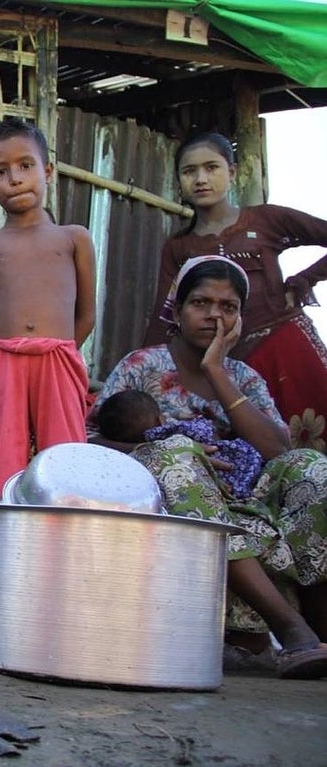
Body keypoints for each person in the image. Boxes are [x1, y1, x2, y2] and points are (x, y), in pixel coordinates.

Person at [91, 255, 327, 679]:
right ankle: (290, 629)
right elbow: (90, 442)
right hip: (170, 504)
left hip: (246, 497)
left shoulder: (243, 376)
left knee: (312, 467)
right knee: (176, 453)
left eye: (228, 307)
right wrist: (178, 450)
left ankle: (319, 633)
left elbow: (279, 450)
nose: (214, 315)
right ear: (178, 310)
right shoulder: (141, 366)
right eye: (201, 303)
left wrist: (217, 371)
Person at [143, 132, 327, 452]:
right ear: (179, 181)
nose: (201, 179)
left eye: (211, 168)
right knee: (260, 459)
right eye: (189, 172)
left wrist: (303, 280)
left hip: (288, 348)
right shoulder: (178, 248)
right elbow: (164, 316)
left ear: (232, 172)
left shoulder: (267, 219)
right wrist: (142, 369)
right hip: (232, 368)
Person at [0, 116, 96, 502]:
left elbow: (86, 315)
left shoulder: (74, 238)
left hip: (59, 359)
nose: (15, 178)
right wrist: (6, 344)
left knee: (65, 458)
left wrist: (62, 348)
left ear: (48, 171)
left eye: (26, 166)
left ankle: (65, 549)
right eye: (1, 171)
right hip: (2, 361)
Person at [95, 389, 263, 500]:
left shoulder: (143, 459)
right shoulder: (173, 433)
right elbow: (205, 433)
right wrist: (209, 422)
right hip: (233, 463)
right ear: (160, 419)